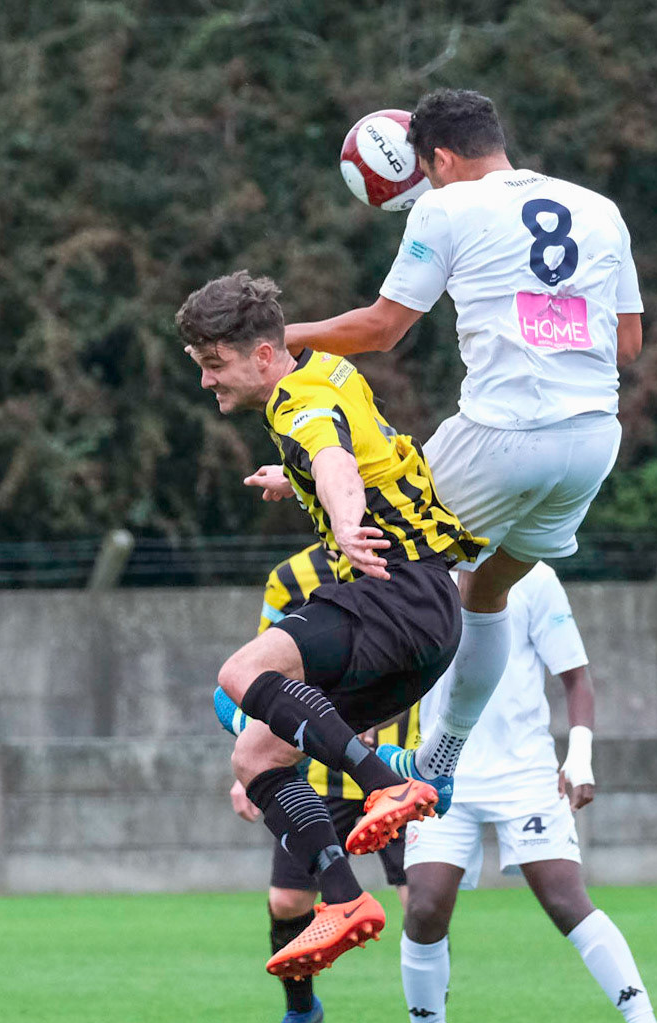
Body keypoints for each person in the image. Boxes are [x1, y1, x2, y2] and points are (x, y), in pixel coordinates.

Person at [285, 88, 643, 802]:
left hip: (501, 436)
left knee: (374, 559)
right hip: (590, 444)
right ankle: (440, 762)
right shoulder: (599, 209)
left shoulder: (445, 206)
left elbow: (382, 329)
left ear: (442, 158)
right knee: (484, 594)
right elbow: (627, 346)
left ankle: (320, 731)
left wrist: (281, 339)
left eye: (425, 168)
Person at [179, 269, 483, 980]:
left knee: (241, 675)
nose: (206, 383)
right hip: (426, 621)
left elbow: (334, 457)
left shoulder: (297, 405)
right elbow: (356, 449)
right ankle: (343, 901)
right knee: (257, 756)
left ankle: (386, 782)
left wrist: (344, 526)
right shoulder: (329, 371)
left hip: (392, 592)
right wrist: (296, 479)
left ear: (261, 356)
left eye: (213, 366)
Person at [394, 564, 657, 1023]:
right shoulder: (423, 569)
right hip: (438, 771)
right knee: (425, 906)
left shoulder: (528, 571)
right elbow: (395, 670)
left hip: (523, 773)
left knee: (567, 902)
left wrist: (581, 757)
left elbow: (576, 678)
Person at [225, 543, 420, 1023]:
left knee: (420, 905)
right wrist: (246, 762)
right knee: (288, 904)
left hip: (399, 767)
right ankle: (299, 1009)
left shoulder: (405, 565)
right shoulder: (289, 575)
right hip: (315, 774)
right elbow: (258, 676)